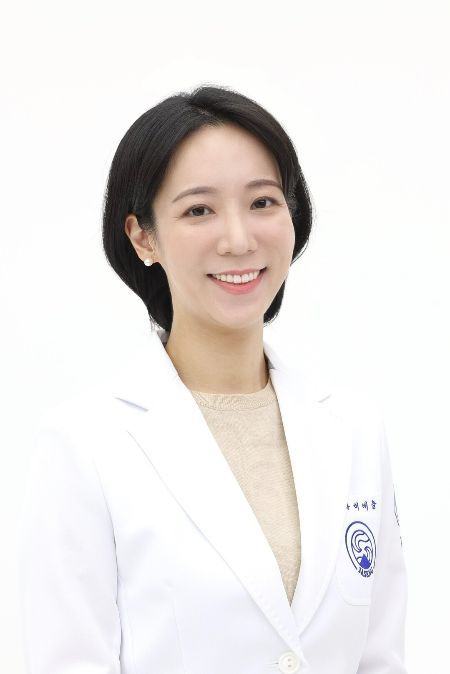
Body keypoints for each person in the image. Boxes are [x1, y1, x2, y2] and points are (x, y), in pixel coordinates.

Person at [18, 84, 408, 673]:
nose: (239, 240)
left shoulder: (353, 427)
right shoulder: (85, 445)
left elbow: (380, 658)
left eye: (263, 202)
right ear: (143, 236)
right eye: (199, 210)